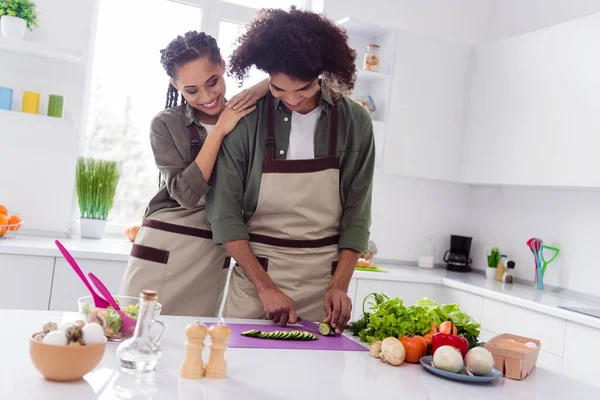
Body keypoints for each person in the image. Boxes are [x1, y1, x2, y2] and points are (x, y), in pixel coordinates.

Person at [206, 7, 375, 334]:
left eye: (303, 88)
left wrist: (339, 285)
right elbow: (223, 213)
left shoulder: (355, 122)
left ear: (322, 73)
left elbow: (358, 213)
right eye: (278, 89)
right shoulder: (246, 120)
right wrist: (265, 286)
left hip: (323, 287)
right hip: (255, 282)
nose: (292, 100)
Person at [119, 31, 268, 316]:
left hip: (213, 251)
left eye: (212, 82)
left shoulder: (248, 116)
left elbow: (290, 79)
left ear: (223, 65)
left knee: (193, 346)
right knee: (134, 338)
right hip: (164, 247)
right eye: (191, 90)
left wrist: (255, 91)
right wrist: (221, 129)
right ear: (175, 85)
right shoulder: (166, 125)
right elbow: (186, 195)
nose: (207, 96)